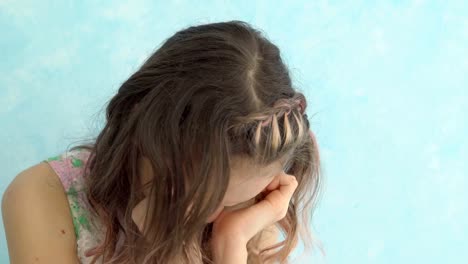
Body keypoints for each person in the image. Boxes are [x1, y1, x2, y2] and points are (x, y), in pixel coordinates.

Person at [2, 20, 322, 264]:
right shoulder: (44, 195)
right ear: (149, 135)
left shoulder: (244, 213)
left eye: (229, 202)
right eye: (199, 192)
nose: (211, 216)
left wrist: (233, 242)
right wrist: (168, 244)